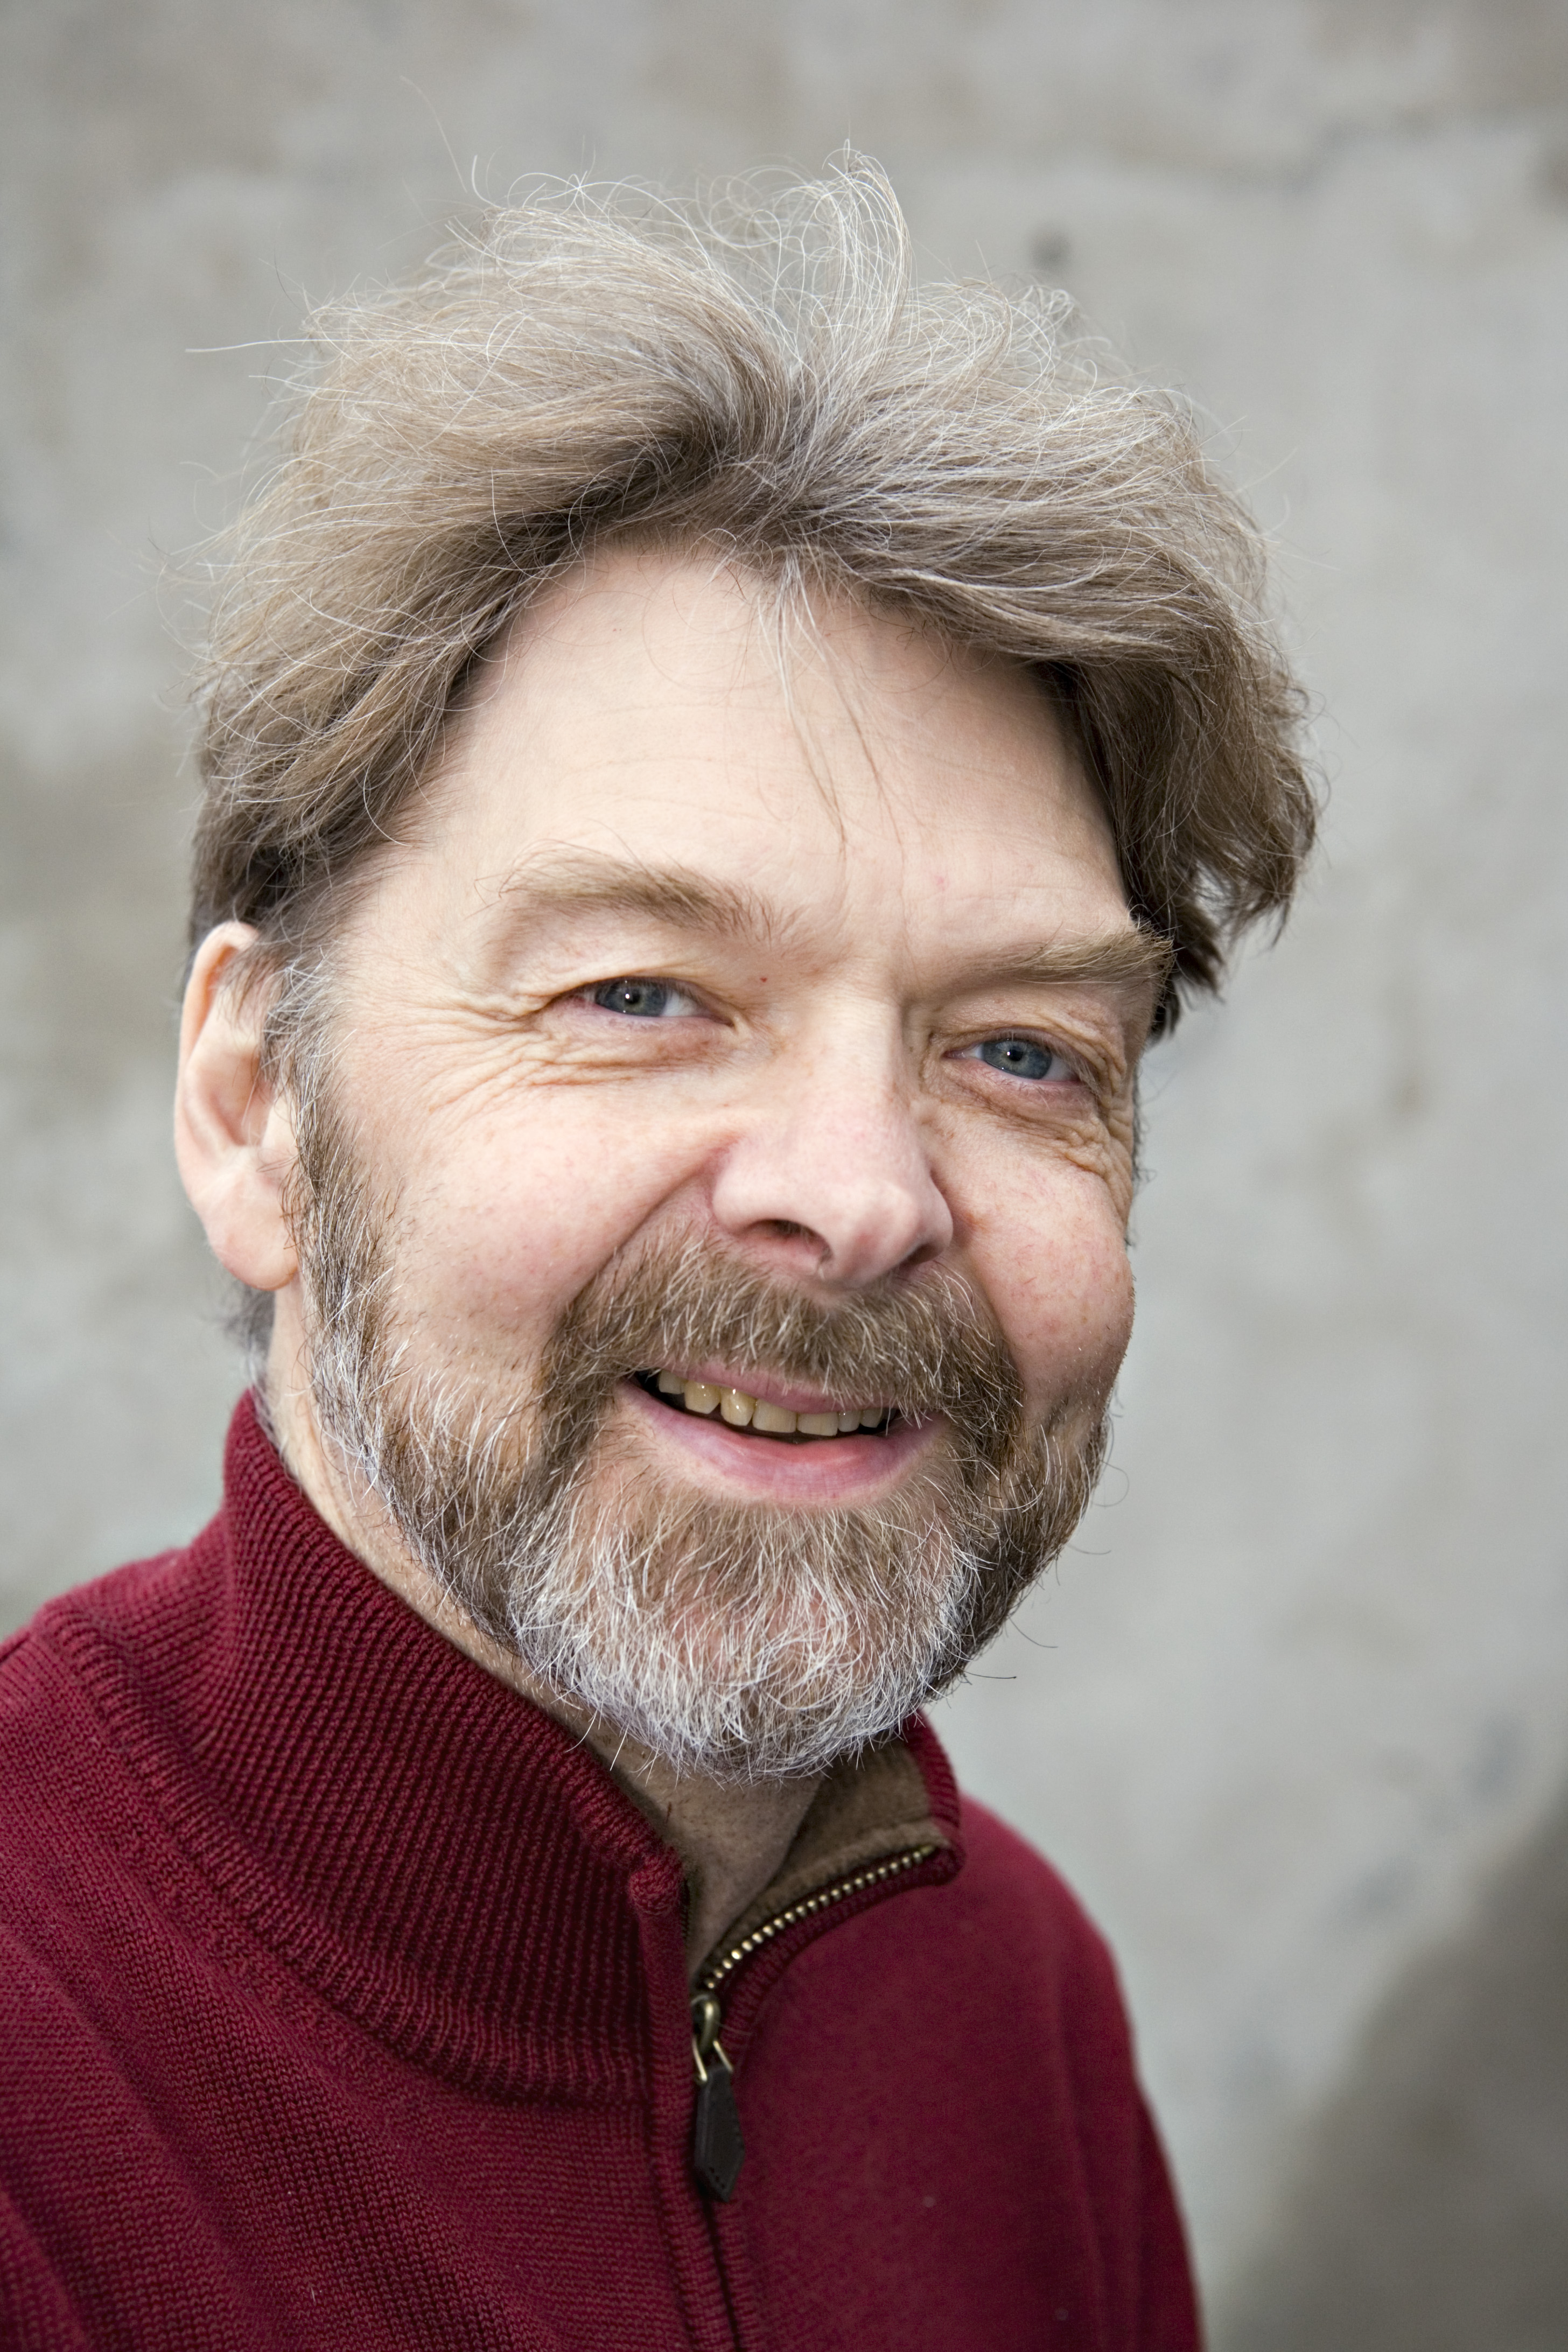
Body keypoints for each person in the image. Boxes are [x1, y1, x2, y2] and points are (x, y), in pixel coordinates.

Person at [0, 162, 1313, 2350]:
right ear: (254, 1107)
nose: (859, 1193)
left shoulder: (1005, 2011)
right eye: (640, 994)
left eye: (1019, 1049)